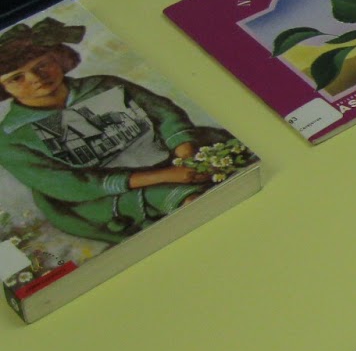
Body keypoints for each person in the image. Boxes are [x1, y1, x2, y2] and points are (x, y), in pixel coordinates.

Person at [0, 16, 217, 243]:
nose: (36, 78)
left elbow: (165, 114)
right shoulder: (11, 137)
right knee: (192, 203)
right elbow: (71, 184)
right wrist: (166, 175)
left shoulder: (104, 85)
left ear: (58, 58)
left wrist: (186, 156)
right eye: (17, 78)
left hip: (169, 158)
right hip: (100, 195)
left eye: (42, 65)